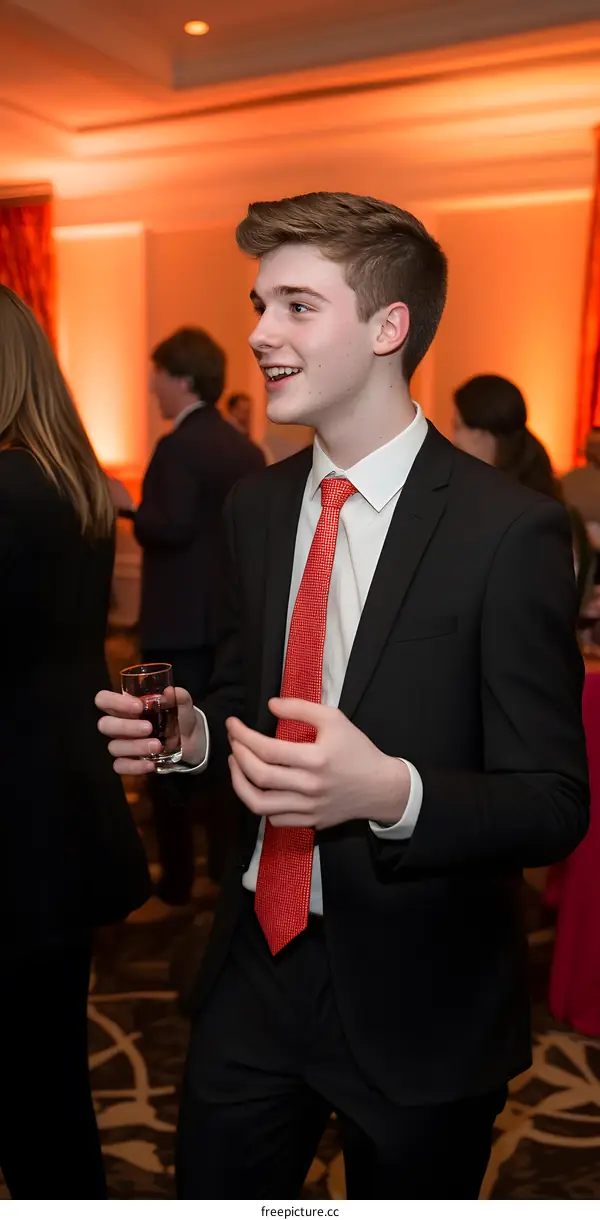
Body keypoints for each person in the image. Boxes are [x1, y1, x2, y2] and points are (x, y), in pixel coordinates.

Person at [96, 192, 589, 1200]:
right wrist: (193, 736)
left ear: (386, 326)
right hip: (255, 962)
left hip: (424, 988)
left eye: (296, 305)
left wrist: (389, 791)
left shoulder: (510, 530)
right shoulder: (255, 506)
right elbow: (241, 697)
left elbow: (553, 802)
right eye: (259, 304)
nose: (258, 333)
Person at [0, 285, 150, 1199]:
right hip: (62, 804)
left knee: (29, 1090)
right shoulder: (79, 484)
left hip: (11, 822)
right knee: (50, 1078)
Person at [133, 328, 265, 919]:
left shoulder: (176, 448)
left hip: (176, 627)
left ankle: (177, 883)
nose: (152, 386)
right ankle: (224, 871)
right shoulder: (245, 449)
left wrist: (128, 509)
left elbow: (171, 525)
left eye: (158, 374)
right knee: (225, 747)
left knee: (165, 752)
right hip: (231, 626)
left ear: (182, 379)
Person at [453, 374, 594, 608]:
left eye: (457, 427)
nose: (454, 440)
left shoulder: (512, 515)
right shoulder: (541, 504)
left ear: (482, 435)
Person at [225, 390, 274, 463]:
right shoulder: (225, 438)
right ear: (233, 411)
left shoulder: (249, 442)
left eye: (249, 412)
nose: (247, 417)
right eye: (245, 411)